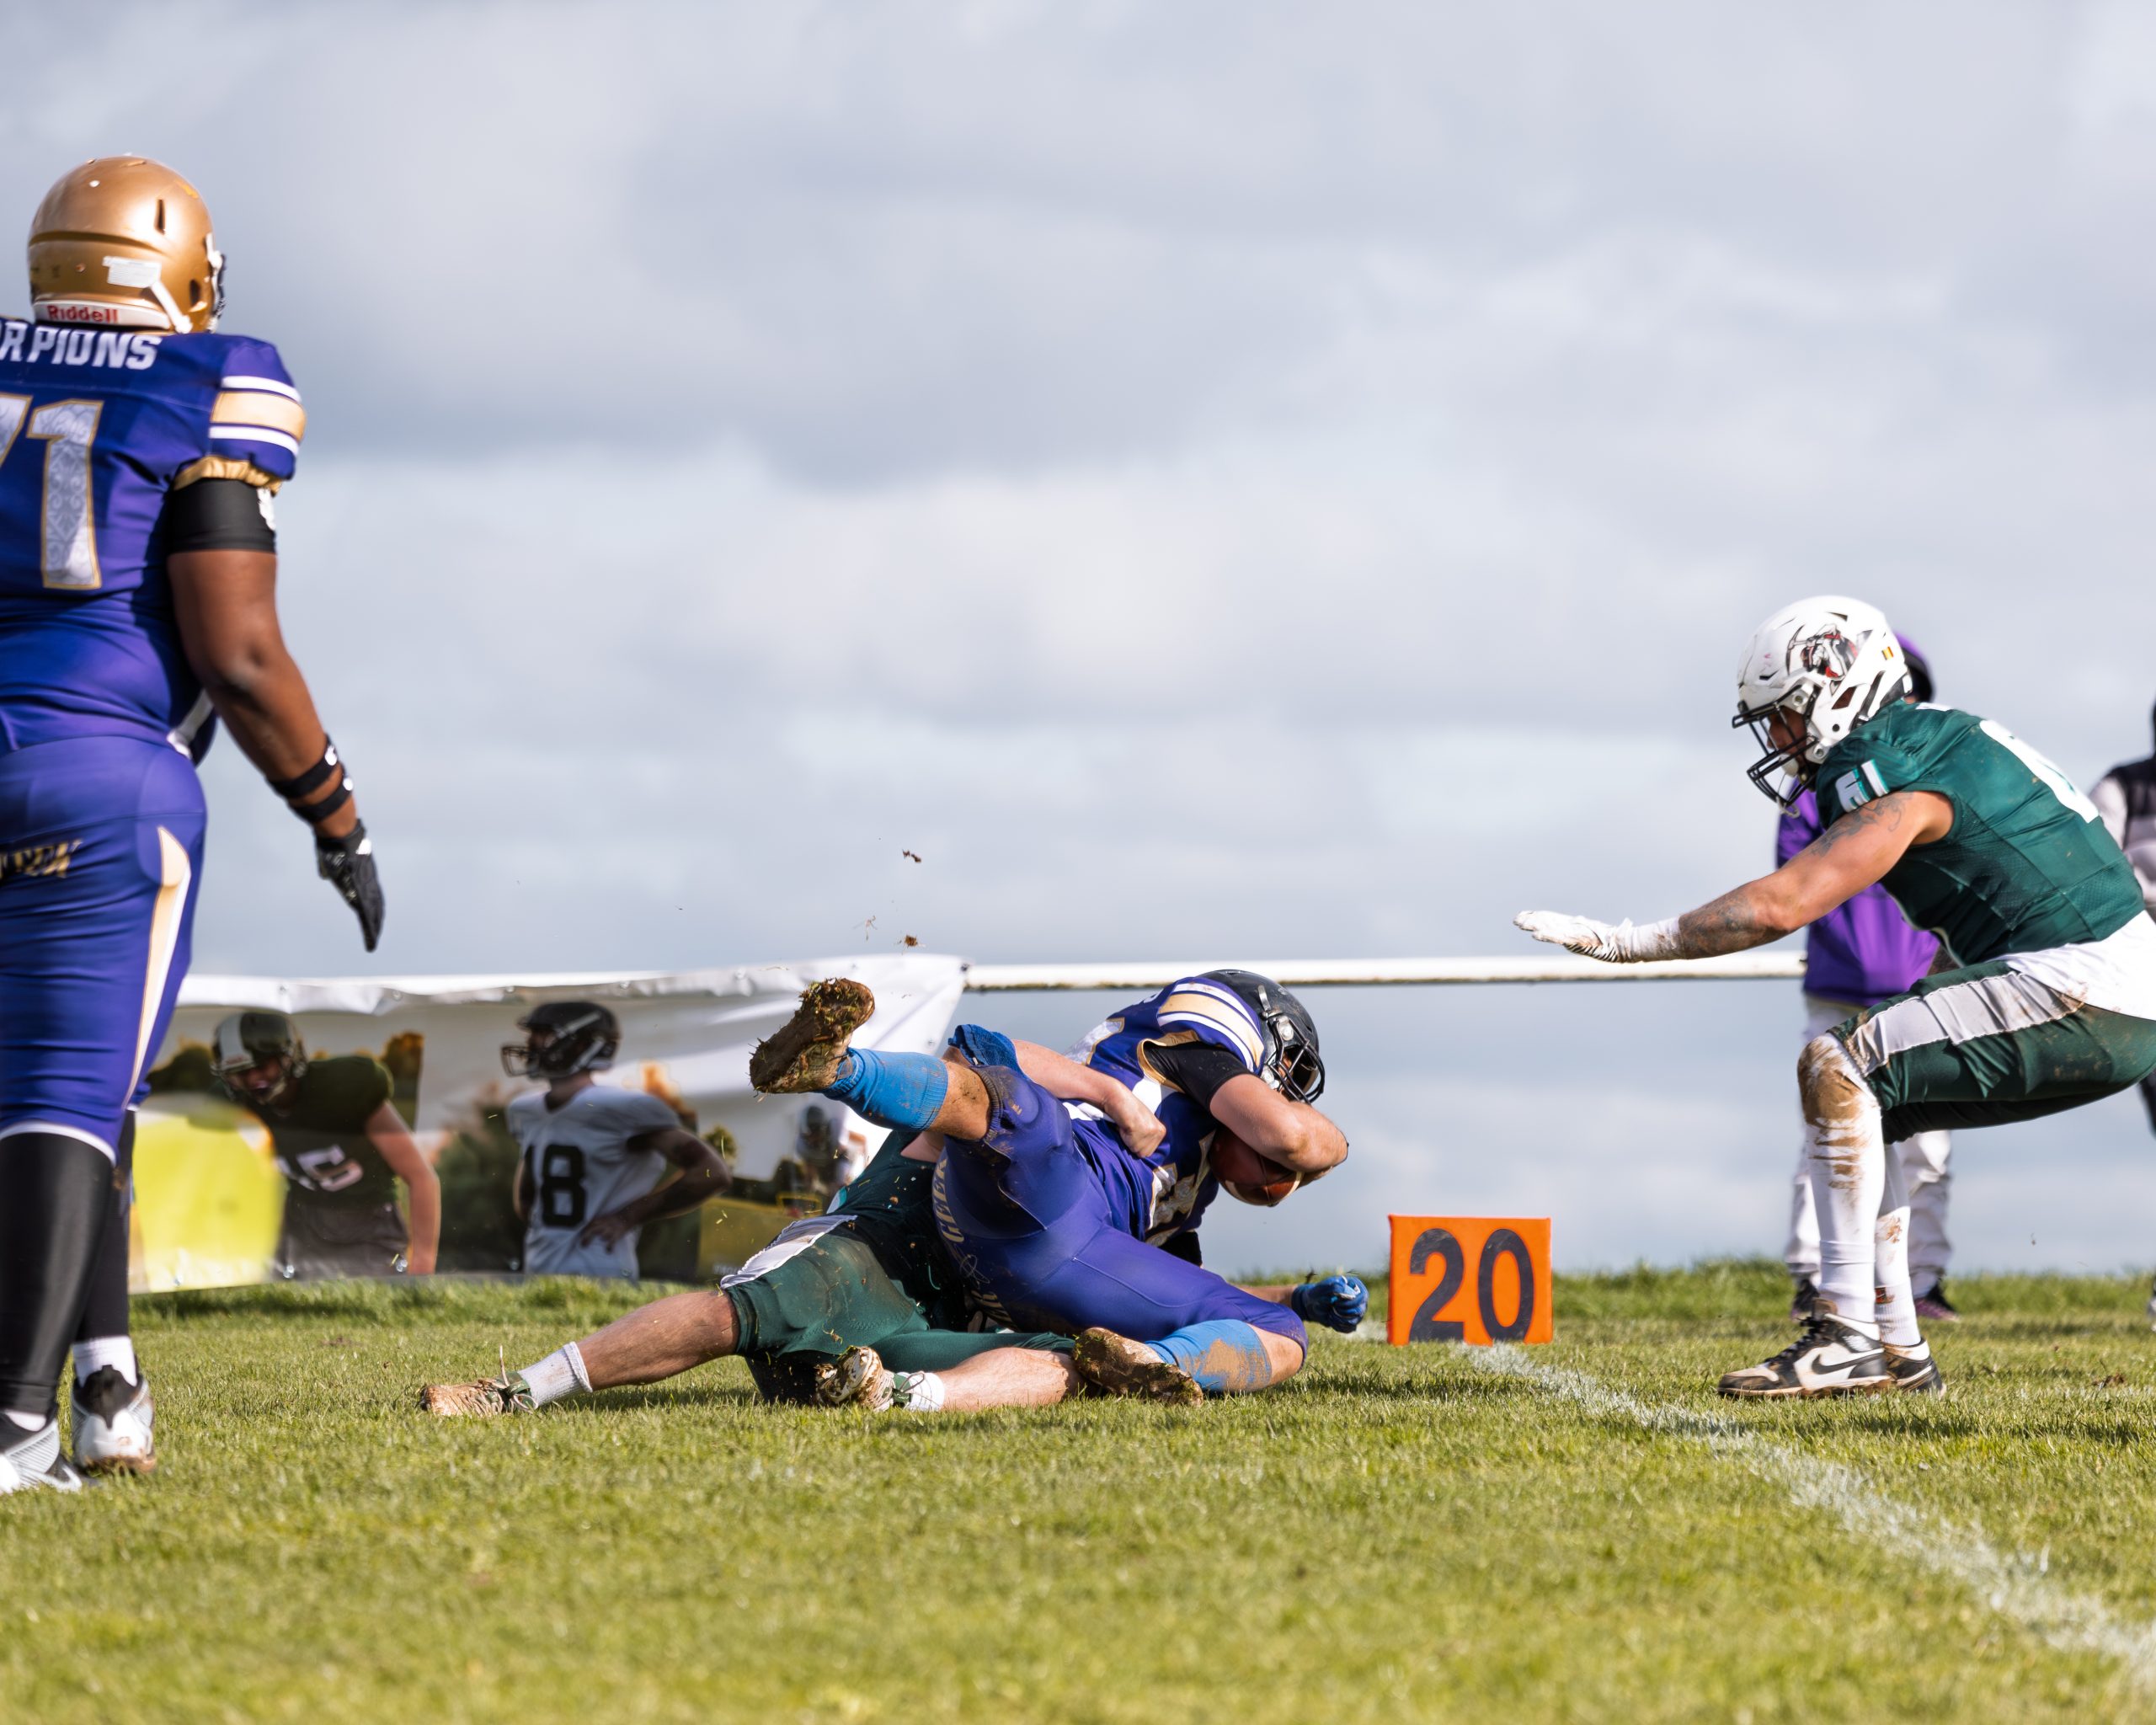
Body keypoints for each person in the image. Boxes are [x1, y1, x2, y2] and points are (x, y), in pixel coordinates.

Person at [1519, 596, 2156, 1399]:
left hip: (2082, 981)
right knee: (1873, 1100)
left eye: (1783, 716)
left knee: (1836, 1063)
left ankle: (1846, 1331)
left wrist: (1629, 941)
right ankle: (1896, 1349)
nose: (1778, 740)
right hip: (2122, 991)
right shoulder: (1943, 736)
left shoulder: (1888, 760)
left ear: (1834, 688)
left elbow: (1783, 904)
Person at [1, 160, 382, 1493]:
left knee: (69, 1086)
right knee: (66, 1094)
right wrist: (334, 812)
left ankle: (106, 1385)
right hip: (97, 774)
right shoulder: (212, 378)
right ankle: (15, 1424)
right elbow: (239, 650)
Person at [419, 981, 1365, 1418]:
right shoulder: (1171, 1063)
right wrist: (1116, 1097)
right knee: (736, 1313)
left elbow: (1162, 1286)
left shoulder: (1177, 1192)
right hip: (893, 1244)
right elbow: (986, 1061)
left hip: (953, 1302)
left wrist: (1293, 1299)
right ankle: (510, 1391)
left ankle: (902, 1395)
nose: (1284, 1178)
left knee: (1094, 1358)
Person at [752, 970, 1353, 1403]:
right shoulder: (1191, 1051)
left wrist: (1295, 1300)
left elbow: (1189, 1297)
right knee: (1006, 1096)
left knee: (1281, 1333)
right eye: (1286, 1079)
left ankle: (1146, 1365)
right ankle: (838, 1068)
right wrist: (1337, 1149)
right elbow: (1292, 1138)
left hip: (1048, 1262)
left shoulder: (1189, 1183)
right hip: (1050, 1192)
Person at [1779, 635, 1956, 1325]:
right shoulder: (1813, 787)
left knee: (1926, 1147)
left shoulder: (1941, 779)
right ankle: (1817, 1278)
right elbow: (1799, 882)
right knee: (1828, 1139)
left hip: (1922, 989)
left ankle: (1920, 1281)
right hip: (1845, 986)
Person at [501, 1002, 731, 1279]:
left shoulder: (622, 1108)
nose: (532, 1043)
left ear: (581, 1044)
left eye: (545, 1034)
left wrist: (628, 1216)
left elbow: (711, 1172)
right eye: (533, 1034)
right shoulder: (525, 1109)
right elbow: (526, 1202)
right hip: (539, 1265)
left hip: (601, 1269)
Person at [211, 1013, 437, 1280]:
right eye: (241, 1072)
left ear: (289, 1057)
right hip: (301, 1226)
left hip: (369, 1225)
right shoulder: (238, 1108)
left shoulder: (342, 1088)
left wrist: (422, 1265)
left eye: (262, 1066)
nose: (252, 1079)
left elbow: (421, 1177)